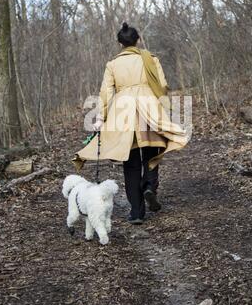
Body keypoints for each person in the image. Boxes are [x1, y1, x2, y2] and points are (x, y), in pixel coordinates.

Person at [72, 22, 188, 224]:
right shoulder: (150, 59)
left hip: (122, 114)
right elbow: (162, 85)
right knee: (152, 152)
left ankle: (136, 212)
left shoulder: (112, 65)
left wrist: (100, 118)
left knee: (131, 163)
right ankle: (150, 186)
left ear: (120, 44)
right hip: (148, 110)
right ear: (138, 40)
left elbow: (106, 93)